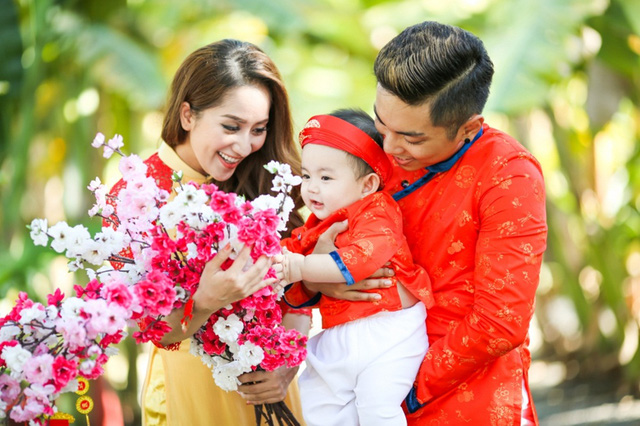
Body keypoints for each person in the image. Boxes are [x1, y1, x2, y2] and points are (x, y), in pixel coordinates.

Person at [285, 22, 548, 425]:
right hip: (358, 384)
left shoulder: (509, 176)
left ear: (468, 127)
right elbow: (317, 247)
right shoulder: (367, 152)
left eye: (412, 138)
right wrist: (317, 281)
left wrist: (402, 389)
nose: (389, 149)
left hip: (461, 393)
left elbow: (500, 322)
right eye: (382, 124)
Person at [105, 39, 311, 426]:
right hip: (187, 395)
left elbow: (297, 292)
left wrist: (289, 362)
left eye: (259, 129)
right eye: (231, 126)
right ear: (188, 115)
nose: (245, 145)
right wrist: (204, 302)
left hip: (269, 391)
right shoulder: (135, 197)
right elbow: (148, 327)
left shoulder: (262, 180)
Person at [274, 109, 434, 426]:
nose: (312, 187)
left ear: (367, 185)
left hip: (390, 331)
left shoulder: (378, 211)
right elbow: (289, 255)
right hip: (341, 334)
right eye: (306, 176)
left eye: (325, 178)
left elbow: (364, 257)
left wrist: (301, 266)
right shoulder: (317, 224)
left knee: (377, 407)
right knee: (314, 409)